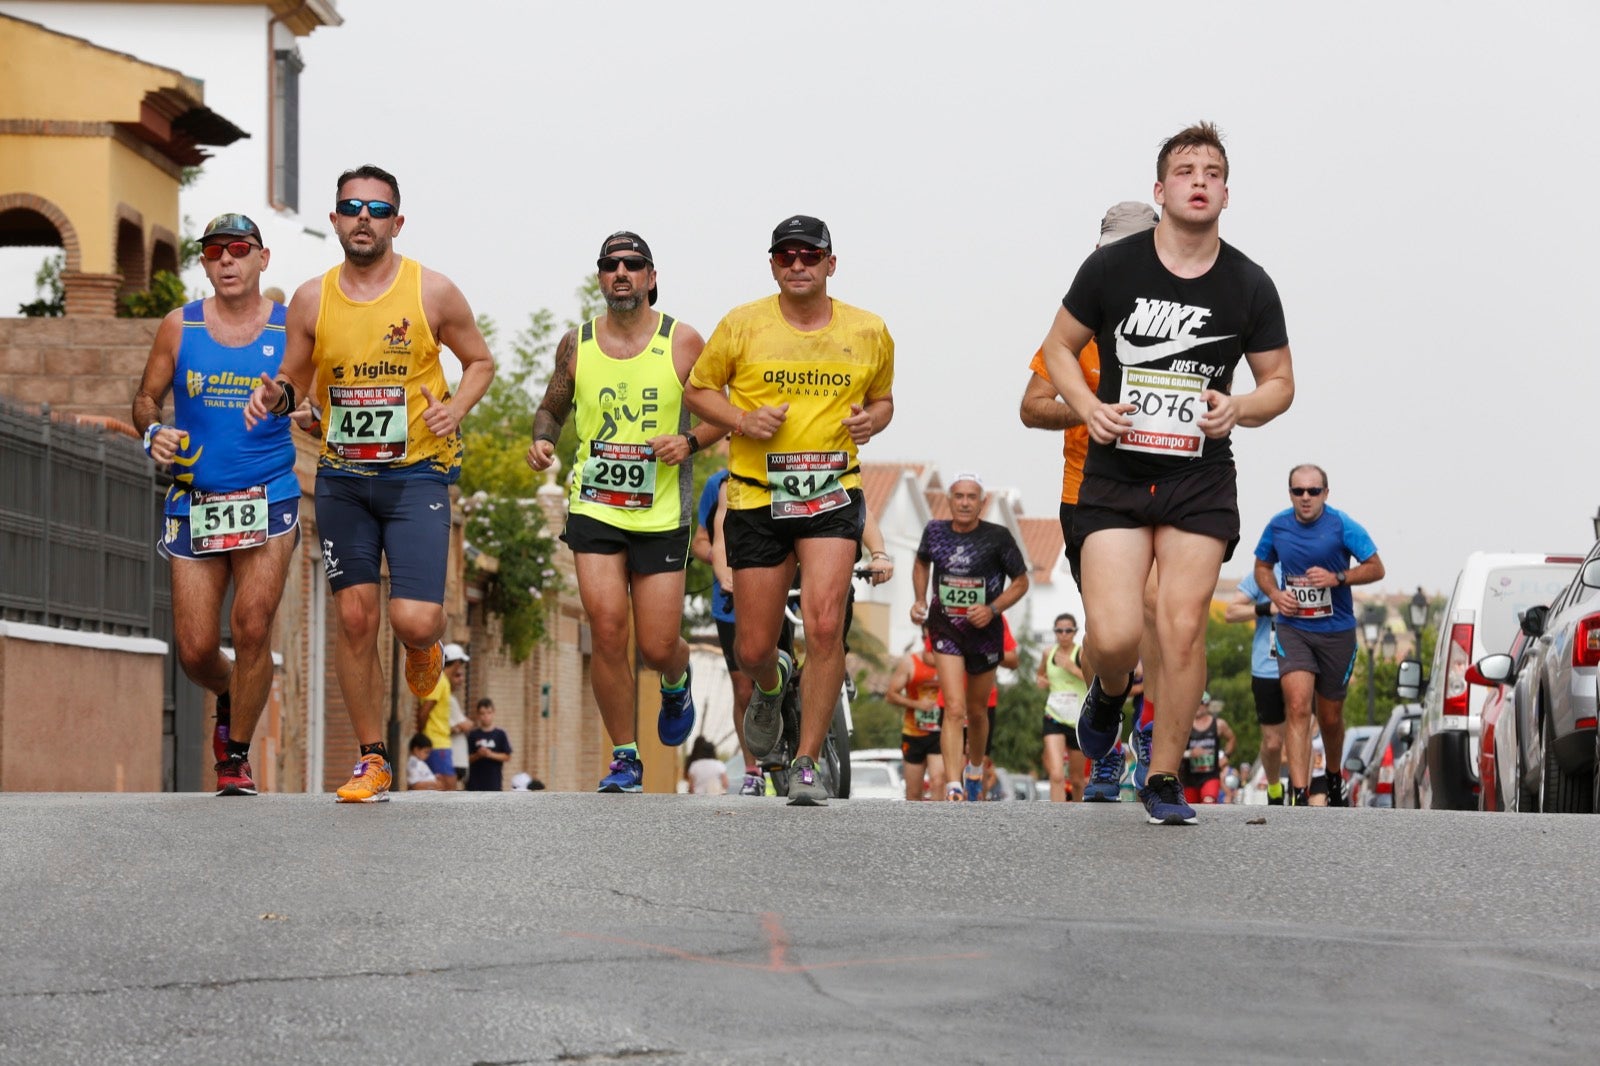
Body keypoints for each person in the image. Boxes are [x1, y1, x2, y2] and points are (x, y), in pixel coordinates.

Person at [1039, 122, 1295, 826]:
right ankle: (1111, 692)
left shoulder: (1249, 282)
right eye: (1186, 170)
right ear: (1162, 190)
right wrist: (1088, 407)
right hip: (1116, 476)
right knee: (1118, 634)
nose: (1200, 180)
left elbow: (1280, 383)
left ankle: (1162, 776)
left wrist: (1239, 406)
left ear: (1226, 192)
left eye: (1212, 171)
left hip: (1199, 476)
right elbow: (1058, 347)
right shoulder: (1113, 270)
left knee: (1182, 629)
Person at [243, 164, 496, 803]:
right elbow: (295, 382)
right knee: (355, 618)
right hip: (343, 478)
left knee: (414, 618)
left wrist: (456, 408)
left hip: (417, 475)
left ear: (396, 223)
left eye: (377, 210)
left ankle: (424, 647)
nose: (363, 218)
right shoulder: (309, 298)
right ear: (334, 219)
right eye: (351, 207)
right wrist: (275, 397)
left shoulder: (431, 292)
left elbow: (480, 361)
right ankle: (373, 760)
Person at [683, 214, 894, 806]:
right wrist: (741, 421)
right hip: (757, 496)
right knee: (752, 651)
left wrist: (869, 422)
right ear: (773, 265)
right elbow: (697, 391)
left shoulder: (868, 330)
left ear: (831, 263)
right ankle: (774, 688)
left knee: (826, 626)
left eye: (810, 256)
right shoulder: (742, 325)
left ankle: (805, 762)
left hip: (831, 494)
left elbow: (883, 402)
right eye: (786, 257)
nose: (798, 266)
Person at [526, 230, 719, 793]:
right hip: (595, 505)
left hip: (661, 512)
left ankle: (676, 679)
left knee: (657, 646)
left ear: (651, 277)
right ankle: (625, 756)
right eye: (610, 265)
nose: (621, 273)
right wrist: (542, 441)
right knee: (607, 630)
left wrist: (690, 443)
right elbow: (551, 408)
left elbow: (727, 413)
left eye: (633, 264)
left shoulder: (682, 342)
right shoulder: (576, 343)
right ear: (600, 277)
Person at [132, 212, 299, 797]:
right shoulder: (180, 327)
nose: (226, 260)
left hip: (269, 495)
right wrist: (154, 432)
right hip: (195, 499)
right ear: (204, 263)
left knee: (252, 625)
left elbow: (317, 401)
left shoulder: (290, 326)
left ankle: (235, 754)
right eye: (214, 252)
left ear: (262, 258)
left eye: (238, 248)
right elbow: (146, 398)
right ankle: (231, 690)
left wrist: (287, 405)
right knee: (197, 649)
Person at [1020, 202, 1159, 800]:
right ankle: (1107, 704)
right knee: (1111, 633)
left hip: (1167, 492)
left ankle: (1152, 738)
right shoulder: (1078, 324)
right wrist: (1091, 409)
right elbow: (1030, 406)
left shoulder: (1186, 319)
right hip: (1090, 496)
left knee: (1164, 616)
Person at [1252, 464, 1384, 806]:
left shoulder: (1342, 525)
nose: (1306, 498)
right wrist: (1276, 596)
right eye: (1299, 491)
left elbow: (1376, 567)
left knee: (1329, 716)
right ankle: (1299, 791)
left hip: (1336, 633)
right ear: (1290, 494)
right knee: (1297, 707)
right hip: (1294, 630)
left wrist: (1337, 578)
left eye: (1313, 491)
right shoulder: (1278, 526)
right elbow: (1262, 568)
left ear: (1326, 493)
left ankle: (1334, 777)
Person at [910, 473, 1030, 801]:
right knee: (954, 707)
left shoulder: (998, 537)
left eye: (971, 497)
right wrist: (920, 599)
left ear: (982, 502)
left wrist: (992, 609)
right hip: (946, 628)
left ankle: (974, 767)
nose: (964, 502)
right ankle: (952, 784)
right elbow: (921, 563)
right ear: (949, 500)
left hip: (984, 632)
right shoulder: (935, 531)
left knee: (977, 712)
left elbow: (1021, 581)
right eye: (959, 496)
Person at [1224, 562, 1288, 803]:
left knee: (1301, 730)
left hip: (1302, 665)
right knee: (1273, 743)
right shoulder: (1265, 574)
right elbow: (1231, 612)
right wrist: (1265, 608)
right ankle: (1274, 789)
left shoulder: (1312, 570)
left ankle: (1301, 791)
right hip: (1267, 668)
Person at [885, 632, 944, 801]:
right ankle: (915, 827)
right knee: (913, 793)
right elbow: (890, 695)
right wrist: (917, 704)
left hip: (940, 733)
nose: (929, 642)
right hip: (914, 732)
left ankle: (940, 825)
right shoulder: (910, 662)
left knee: (938, 781)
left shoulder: (949, 663)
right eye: (926, 638)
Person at [1036, 613, 1087, 802]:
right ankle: (1057, 817)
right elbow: (1040, 675)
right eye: (1059, 630)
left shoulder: (1081, 653)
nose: (1063, 634)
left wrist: (1071, 667)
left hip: (1077, 720)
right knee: (1056, 774)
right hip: (1054, 716)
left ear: (1074, 632)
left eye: (1068, 630)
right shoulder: (1048, 653)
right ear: (1055, 632)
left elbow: (1093, 680)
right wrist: (1041, 680)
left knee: (1077, 780)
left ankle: (1078, 814)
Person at [417, 642, 469, 789]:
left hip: (440, 742)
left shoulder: (441, 680)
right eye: (461, 663)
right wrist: (422, 736)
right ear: (457, 663)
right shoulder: (439, 681)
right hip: (436, 742)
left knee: (444, 788)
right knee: (448, 786)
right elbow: (424, 711)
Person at [1179, 692, 1235, 805]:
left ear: (1207, 705)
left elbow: (1231, 738)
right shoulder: (1185, 725)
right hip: (1189, 776)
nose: (1197, 706)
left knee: (1208, 802)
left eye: (1201, 703)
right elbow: (1173, 749)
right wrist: (1189, 754)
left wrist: (1226, 756)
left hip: (1210, 775)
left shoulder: (1219, 724)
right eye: (1194, 703)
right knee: (1191, 807)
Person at [466, 698, 512, 792]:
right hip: (474, 784)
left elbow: (507, 756)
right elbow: (466, 759)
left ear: (493, 713)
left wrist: (489, 754)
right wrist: (478, 755)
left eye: (489, 713)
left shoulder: (500, 734)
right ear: (478, 715)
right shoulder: (473, 735)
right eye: (482, 713)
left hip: (493, 783)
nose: (486, 716)